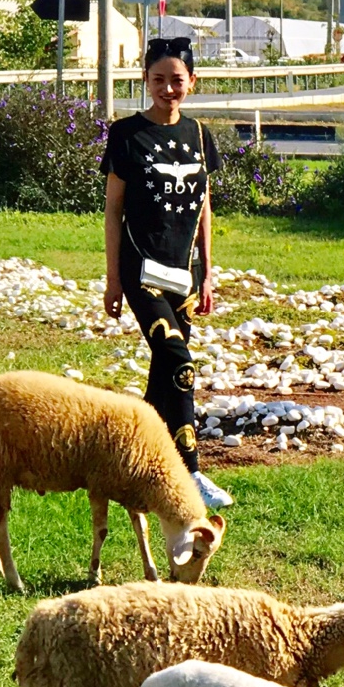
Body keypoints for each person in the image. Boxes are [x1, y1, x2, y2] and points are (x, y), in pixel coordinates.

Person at [101, 35, 234, 511]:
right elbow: (113, 210)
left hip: (184, 275)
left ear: (192, 83)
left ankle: (132, 455)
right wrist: (113, 279)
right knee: (179, 362)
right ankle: (190, 473)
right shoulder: (126, 134)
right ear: (145, 82)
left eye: (177, 80)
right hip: (141, 271)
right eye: (158, 79)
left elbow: (204, 208)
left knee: (162, 375)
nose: (168, 88)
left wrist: (208, 272)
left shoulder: (200, 135)